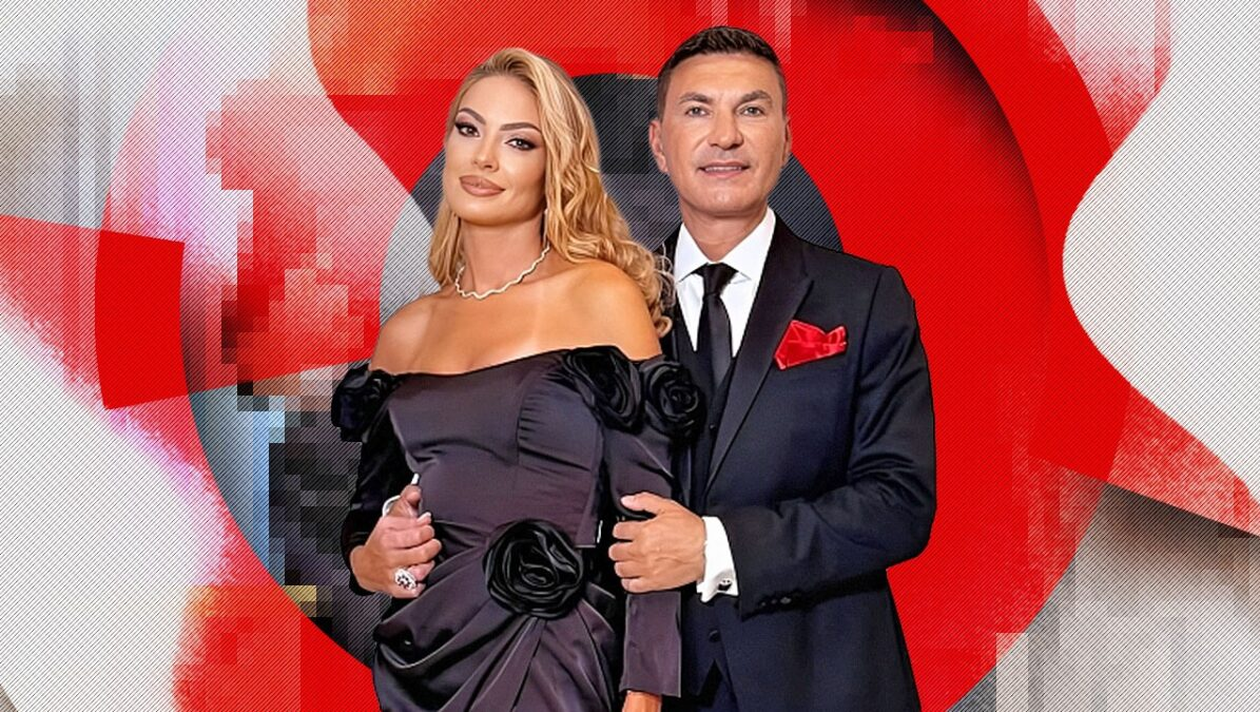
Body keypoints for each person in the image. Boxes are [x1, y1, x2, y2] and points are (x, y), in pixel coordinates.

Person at [329, 48, 700, 712]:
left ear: (555, 166)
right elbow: (368, 515)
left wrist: (646, 688)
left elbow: (650, 518)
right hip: (423, 658)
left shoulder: (599, 298)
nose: (484, 158)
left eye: (518, 141)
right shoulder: (408, 330)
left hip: (555, 656)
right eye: (469, 129)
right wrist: (371, 560)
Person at [608, 27, 936, 711]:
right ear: (659, 144)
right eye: (697, 110)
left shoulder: (865, 297)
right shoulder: (607, 304)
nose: (725, 136)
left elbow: (899, 502)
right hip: (650, 690)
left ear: (786, 140)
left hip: (826, 684)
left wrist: (716, 548)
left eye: (751, 110)